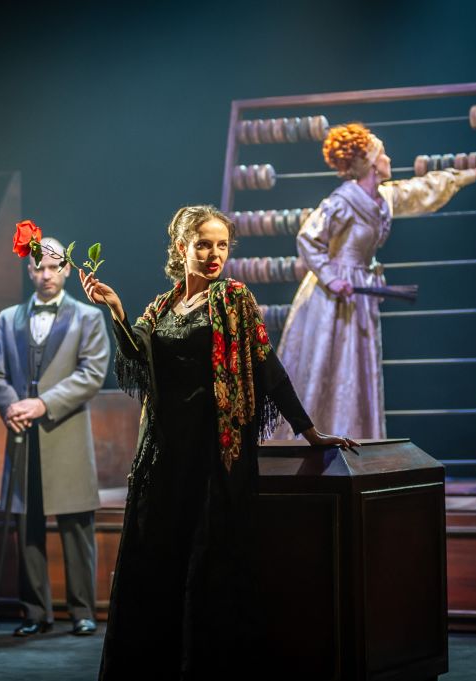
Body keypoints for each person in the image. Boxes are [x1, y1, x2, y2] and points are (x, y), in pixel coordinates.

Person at [79, 205, 357, 680]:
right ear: (181, 248)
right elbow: (138, 360)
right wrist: (117, 311)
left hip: (214, 453)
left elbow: (267, 366)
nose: (214, 254)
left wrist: (308, 429)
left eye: (222, 245)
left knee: (208, 563)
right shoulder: (161, 307)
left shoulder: (234, 299)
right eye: (203, 244)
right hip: (164, 454)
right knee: (157, 560)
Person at [274, 123, 476, 440]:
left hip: (361, 294)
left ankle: (352, 439)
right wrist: (331, 278)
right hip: (331, 297)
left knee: (355, 370)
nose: (388, 159)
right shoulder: (341, 201)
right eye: (382, 154)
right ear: (371, 163)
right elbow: (307, 238)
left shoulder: (384, 198)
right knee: (327, 366)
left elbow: (424, 189)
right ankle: (308, 440)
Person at [0, 234, 110, 637]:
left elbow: (92, 374)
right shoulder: (9, 318)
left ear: (67, 269)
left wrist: (42, 404)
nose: (47, 274)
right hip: (24, 436)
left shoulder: (88, 317)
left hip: (65, 434)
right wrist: (12, 406)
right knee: (27, 526)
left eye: (54, 267)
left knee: (76, 526)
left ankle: (82, 611)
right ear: (29, 270)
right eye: (39, 267)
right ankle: (35, 612)